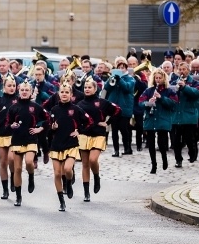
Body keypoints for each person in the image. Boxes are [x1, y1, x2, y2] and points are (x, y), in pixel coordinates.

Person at [76, 77, 120, 202]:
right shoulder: (79, 104)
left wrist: (108, 122)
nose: (87, 89)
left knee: (93, 159)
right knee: (85, 164)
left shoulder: (102, 102)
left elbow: (117, 110)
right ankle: (86, 192)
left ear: (95, 89)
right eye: (85, 87)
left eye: (90, 87)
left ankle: (96, 176)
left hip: (98, 135)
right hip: (84, 136)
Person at [49, 83, 91, 211]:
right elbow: (49, 129)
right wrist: (52, 128)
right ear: (58, 94)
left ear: (71, 95)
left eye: (67, 92)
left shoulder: (76, 109)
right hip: (56, 144)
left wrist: (80, 131)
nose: (64, 94)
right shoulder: (54, 110)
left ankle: (68, 183)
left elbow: (89, 122)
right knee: (57, 173)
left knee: (67, 169)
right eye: (62, 92)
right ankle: (61, 201)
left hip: (71, 143)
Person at [7, 81, 49, 206]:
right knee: (17, 168)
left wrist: (40, 128)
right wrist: (11, 125)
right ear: (18, 91)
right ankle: (18, 196)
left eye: (27, 90)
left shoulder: (35, 106)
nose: (24, 92)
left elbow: (47, 119)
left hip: (31, 138)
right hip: (17, 139)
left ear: (31, 92)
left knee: (29, 162)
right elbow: (7, 123)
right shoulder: (13, 107)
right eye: (22, 90)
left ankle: (31, 176)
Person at [139, 68, 179, 173]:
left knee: (162, 143)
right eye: (156, 78)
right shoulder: (149, 91)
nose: (157, 80)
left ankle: (164, 159)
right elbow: (140, 103)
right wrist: (148, 103)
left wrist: (161, 98)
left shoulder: (169, 91)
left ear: (163, 79)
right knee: (151, 144)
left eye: (160, 78)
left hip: (163, 119)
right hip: (150, 119)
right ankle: (154, 165)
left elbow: (173, 104)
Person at [104, 57, 135, 157]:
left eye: (123, 68)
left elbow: (127, 88)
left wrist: (119, 79)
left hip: (125, 108)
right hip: (114, 108)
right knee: (114, 129)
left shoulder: (131, 79)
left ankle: (127, 148)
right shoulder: (113, 78)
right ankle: (116, 150)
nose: (121, 69)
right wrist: (111, 79)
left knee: (123, 128)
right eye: (119, 68)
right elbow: (106, 88)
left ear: (126, 69)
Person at [171, 61, 199, 166]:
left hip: (189, 115)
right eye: (180, 69)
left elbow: (197, 93)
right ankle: (178, 160)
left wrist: (184, 87)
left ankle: (192, 154)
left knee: (189, 139)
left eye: (184, 69)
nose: (182, 71)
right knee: (176, 141)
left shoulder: (194, 82)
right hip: (176, 116)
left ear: (188, 70)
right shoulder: (174, 81)